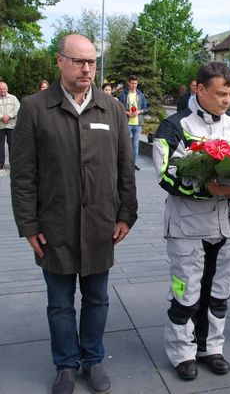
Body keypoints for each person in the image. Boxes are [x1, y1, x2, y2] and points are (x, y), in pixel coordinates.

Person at [10, 34, 138, 394]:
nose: (87, 69)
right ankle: (65, 364)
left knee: (97, 298)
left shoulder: (111, 108)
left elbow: (124, 167)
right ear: (60, 61)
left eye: (92, 62)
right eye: (79, 61)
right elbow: (23, 175)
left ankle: (92, 359)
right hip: (55, 227)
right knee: (60, 303)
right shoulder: (35, 108)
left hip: (101, 225)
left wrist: (126, 212)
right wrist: (28, 225)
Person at [153, 62, 230, 381]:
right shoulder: (174, 126)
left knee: (219, 293)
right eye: (220, 93)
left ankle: (211, 347)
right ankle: (182, 352)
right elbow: (165, 173)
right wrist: (206, 186)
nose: (227, 100)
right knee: (186, 294)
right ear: (200, 89)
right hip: (188, 229)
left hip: (229, 228)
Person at [117, 75, 148, 171]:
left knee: (135, 146)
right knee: (125, 144)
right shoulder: (123, 95)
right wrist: (126, 112)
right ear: (128, 83)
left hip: (137, 124)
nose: (134, 85)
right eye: (132, 83)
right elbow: (119, 107)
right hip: (127, 123)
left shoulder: (141, 95)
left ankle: (133, 164)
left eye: (135, 83)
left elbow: (145, 108)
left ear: (137, 84)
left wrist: (139, 112)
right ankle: (124, 163)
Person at [0, 81, 20, 170]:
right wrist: (1, 117)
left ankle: (14, 163)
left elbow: (17, 108)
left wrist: (9, 116)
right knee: (0, 146)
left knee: (12, 145)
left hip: (11, 126)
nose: (2, 90)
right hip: (0, 126)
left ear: (7, 89)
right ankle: (1, 163)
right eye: (0, 89)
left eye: (3, 88)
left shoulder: (13, 98)